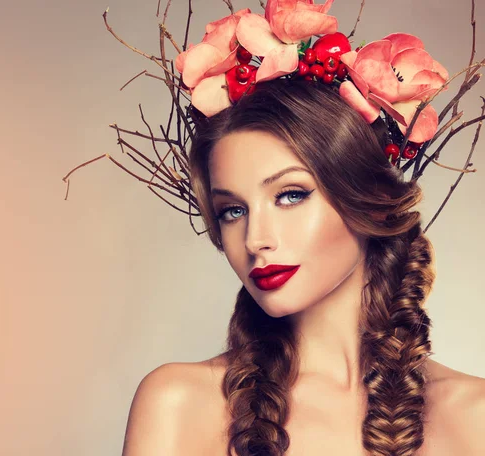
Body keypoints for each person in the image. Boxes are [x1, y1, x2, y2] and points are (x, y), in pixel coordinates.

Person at [94, 3, 485, 455]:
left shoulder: (472, 417)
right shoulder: (179, 404)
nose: (256, 239)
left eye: (291, 195)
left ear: (368, 201)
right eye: (232, 211)